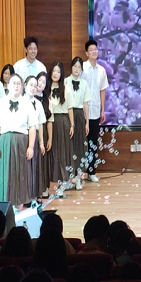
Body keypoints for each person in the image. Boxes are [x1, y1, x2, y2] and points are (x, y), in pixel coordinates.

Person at [0, 74, 38, 208]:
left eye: (18, 83)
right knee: (5, 174)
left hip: (22, 141)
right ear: (8, 85)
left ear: (22, 86)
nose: (16, 86)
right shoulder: (0, 103)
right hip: (5, 141)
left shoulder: (27, 104)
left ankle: (19, 206)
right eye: (13, 83)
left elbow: (32, 127)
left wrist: (31, 147)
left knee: (21, 174)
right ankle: (6, 207)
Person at [46, 61, 76, 193]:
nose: (55, 74)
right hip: (49, 123)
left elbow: (70, 109)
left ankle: (64, 182)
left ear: (61, 74)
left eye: (58, 71)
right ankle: (52, 181)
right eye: (54, 71)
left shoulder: (66, 89)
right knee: (53, 153)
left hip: (63, 122)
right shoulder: (46, 89)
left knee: (63, 152)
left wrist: (72, 125)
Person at [82, 39, 109, 183]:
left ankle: (91, 172)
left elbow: (102, 91)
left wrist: (103, 110)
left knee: (93, 142)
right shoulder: (82, 68)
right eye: (91, 50)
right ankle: (78, 174)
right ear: (86, 53)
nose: (94, 51)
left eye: (96, 49)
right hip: (82, 112)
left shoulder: (102, 70)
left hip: (95, 111)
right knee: (81, 143)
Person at [65, 56, 91, 189]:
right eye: (75, 66)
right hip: (68, 114)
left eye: (79, 67)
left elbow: (86, 104)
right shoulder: (65, 81)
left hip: (80, 115)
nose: (76, 69)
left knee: (80, 147)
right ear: (71, 67)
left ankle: (78, 178)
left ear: (81, 69)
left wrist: (87, 122)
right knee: (69, 146)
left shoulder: (84, 83)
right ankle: (68, 179)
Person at [23, 76, 49, 200]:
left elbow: (41, 124)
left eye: (35, 86)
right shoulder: (20, 102)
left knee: (36, 167)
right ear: (24, 85)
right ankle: (26, 196)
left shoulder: (38, 104)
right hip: (24, 137)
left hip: (36, 136)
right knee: (25, 167)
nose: (33, 88)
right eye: (30, 85)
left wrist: (42, 142)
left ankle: (36, 195)